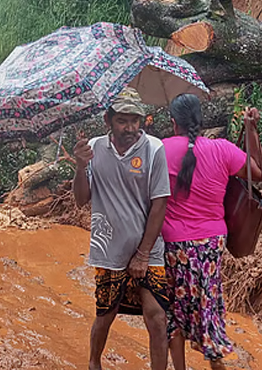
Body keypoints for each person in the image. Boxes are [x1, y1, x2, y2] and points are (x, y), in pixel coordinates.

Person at [160, 94, 262, 370]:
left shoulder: (160, 150)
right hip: (210, 245)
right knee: (208, 302)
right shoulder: (223, 150)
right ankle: (216, 362)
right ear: (201, 121)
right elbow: (259, 173)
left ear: (173, 123)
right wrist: (252, 131)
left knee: (174, 307)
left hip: (173, 246)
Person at [72, 88, 172, 370]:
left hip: (148, 250)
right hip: (108, 249)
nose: (130, 128)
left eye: (135, 120)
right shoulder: (93, 149)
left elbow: (159, 204)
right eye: (122, 121)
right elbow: (81, 200)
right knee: (105, 313)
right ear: (108, 120)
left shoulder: (154, 149)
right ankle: (94, 363)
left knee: (157, 316)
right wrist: (80, 168)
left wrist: (142, 254)